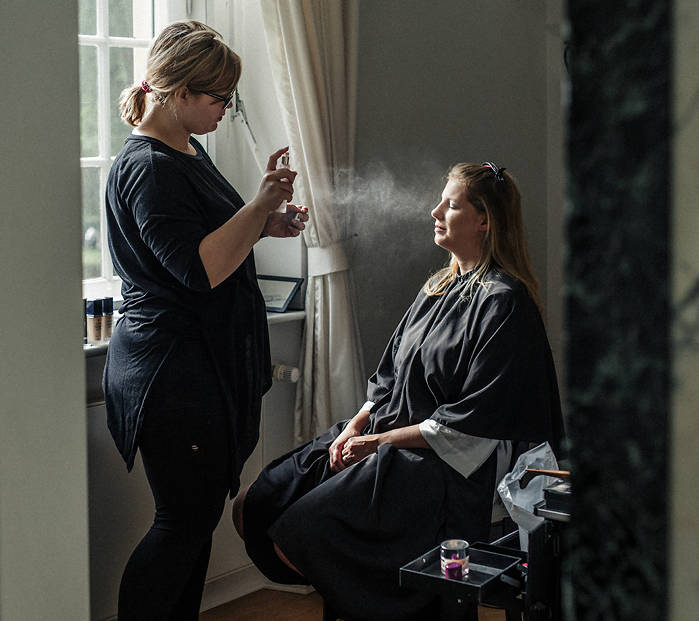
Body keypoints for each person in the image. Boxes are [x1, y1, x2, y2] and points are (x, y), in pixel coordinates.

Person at [232, 162, 566, 621]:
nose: (435, 211)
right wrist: (356, 425)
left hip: (444, 466)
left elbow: (473, 428)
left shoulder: (504, 302)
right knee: (256, 502)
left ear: (485, 219)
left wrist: (376, 443)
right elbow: (390, 373)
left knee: (306, 532)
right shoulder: (438, 286)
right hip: (387, 434)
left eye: (450, 204)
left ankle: (375, 597)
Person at [102, 20, 310, 621]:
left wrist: (265, 224)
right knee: (181, 523)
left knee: (191, 526)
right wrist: (260, 205)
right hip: (171, 372)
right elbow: (199, 270)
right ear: (179, 92)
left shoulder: (187, 151)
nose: (227, 107)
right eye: (219, 96)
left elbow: (208, 241)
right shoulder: (149, 167)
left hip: (198, 367)